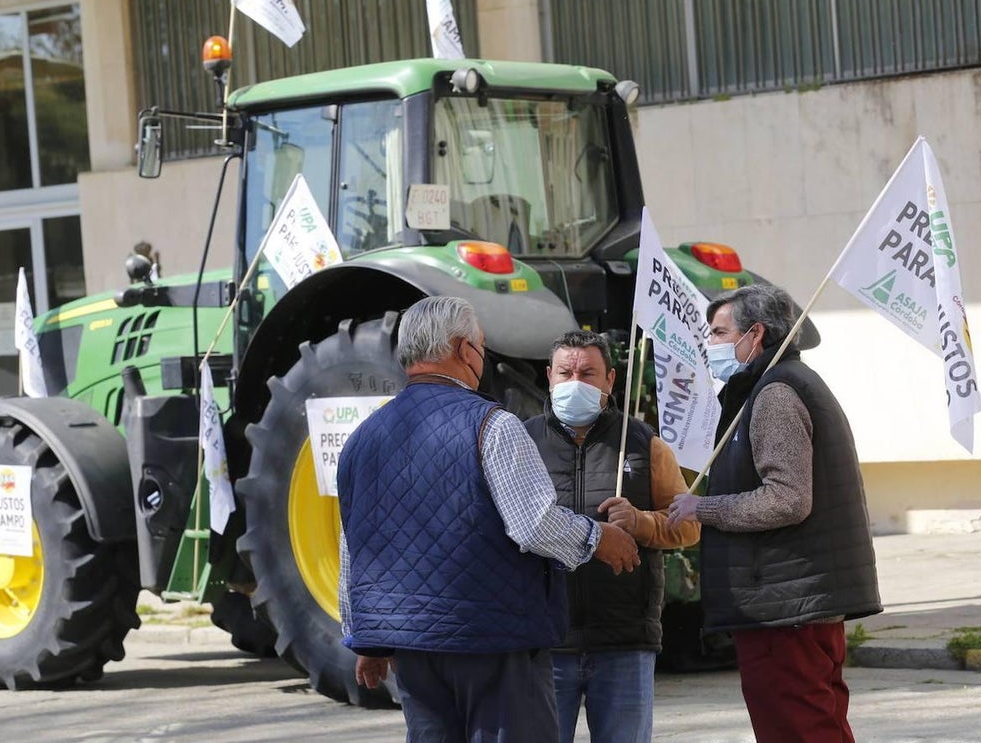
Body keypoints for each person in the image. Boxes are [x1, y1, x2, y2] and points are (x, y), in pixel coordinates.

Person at [337, 295, 641, 742]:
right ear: (464, 350)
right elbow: (533, 524)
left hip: (413, 651)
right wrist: (598, 538)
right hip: (494, 643)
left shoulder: (361, 439)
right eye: (480, 345)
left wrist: (365, 638)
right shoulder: (492, 425)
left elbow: (353, 547)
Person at [669, 284, 882, 743]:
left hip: (785, 607)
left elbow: (787, 498)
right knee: (817, 722)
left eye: (719, 332)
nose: (710, 343)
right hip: (796, 599)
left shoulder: (776, 394)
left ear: (755, 334)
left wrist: (702, 507)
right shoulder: (778, 385)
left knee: (797, 727)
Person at [524, 329, 701, 743]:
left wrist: (642, 523)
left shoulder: (643, 443)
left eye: (588, 373)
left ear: (610, 381)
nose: (575, 384)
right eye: (565, 373)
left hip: (624, 640)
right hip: (546, 641)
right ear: (548, 377)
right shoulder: (522, 442)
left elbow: (689, 525)